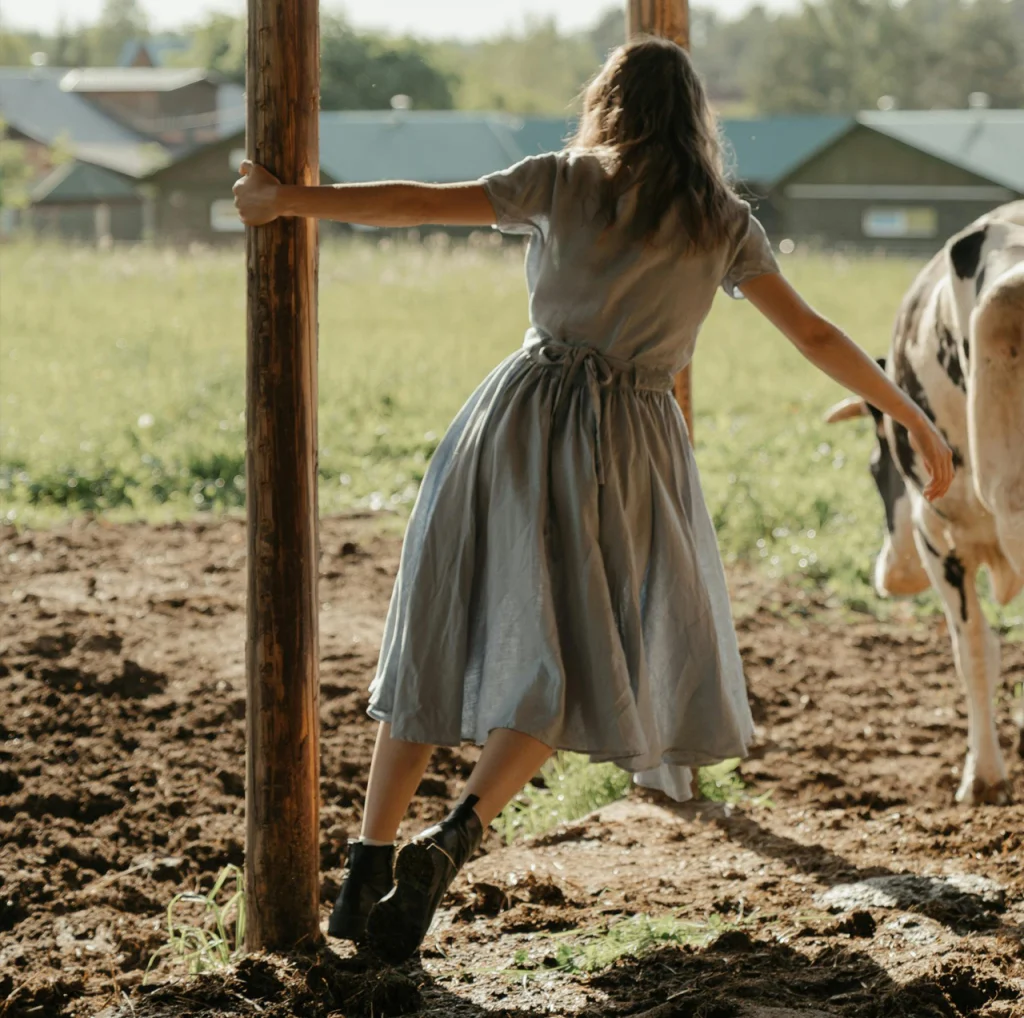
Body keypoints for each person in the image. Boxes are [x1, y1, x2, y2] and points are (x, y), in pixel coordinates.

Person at [233, 37, 954, 963]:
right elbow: (814, 332)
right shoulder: (720, 220)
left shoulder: (567, 180)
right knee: (576, 653)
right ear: (696, 119)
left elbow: (418, 205)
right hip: (631, 450)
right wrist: (911, 416)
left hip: (518, 421)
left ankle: (365, 867)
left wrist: (288, 200)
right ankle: (454, 836)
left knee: (438, 625)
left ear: (608, 105)